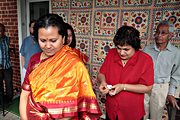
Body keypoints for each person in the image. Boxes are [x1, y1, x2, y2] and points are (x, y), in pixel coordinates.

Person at [19, 13, 101, 120]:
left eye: (53, 41)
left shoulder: (74, 64)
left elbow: (75, 106)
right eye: (43, 40)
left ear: (63, 39)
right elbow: (25, 94)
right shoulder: (34, 60)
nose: (48, 46)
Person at [97, 25, 154, 120]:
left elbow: (147, 87)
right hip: (112, 110)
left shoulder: (145, 60)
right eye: (119, 48)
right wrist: (103, 82)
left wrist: (123, 87)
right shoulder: (111, 54)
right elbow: (101, 74)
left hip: (132, 112)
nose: (121, 53)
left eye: (126, 49)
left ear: (135, 47)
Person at [143, 20, 180, 120]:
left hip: (161, 88)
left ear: (170, 35)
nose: (159, 35)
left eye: (163, 33)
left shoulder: (176, 53)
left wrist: (171, 94)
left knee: (156, 116)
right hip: (144, 86)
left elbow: (176, 76)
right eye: (157, 32)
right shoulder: (147, 50)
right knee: (142, 114)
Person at [20, 20, 42, 84]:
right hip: (26, 69)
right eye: (33, 27)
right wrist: (24, 68)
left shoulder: (41, 40)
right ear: (30, 28)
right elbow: (22, 55)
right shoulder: (25, 40)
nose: (34, 29)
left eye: (36, 27)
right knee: (26, 89)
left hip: (38, 70)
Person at [0, 23, 13, 104]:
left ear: (4, 31)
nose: (0, 32)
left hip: (7, 66)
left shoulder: (7, 39)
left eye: (1, 30)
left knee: (9, 84)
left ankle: (10, 99)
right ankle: (1, 100)